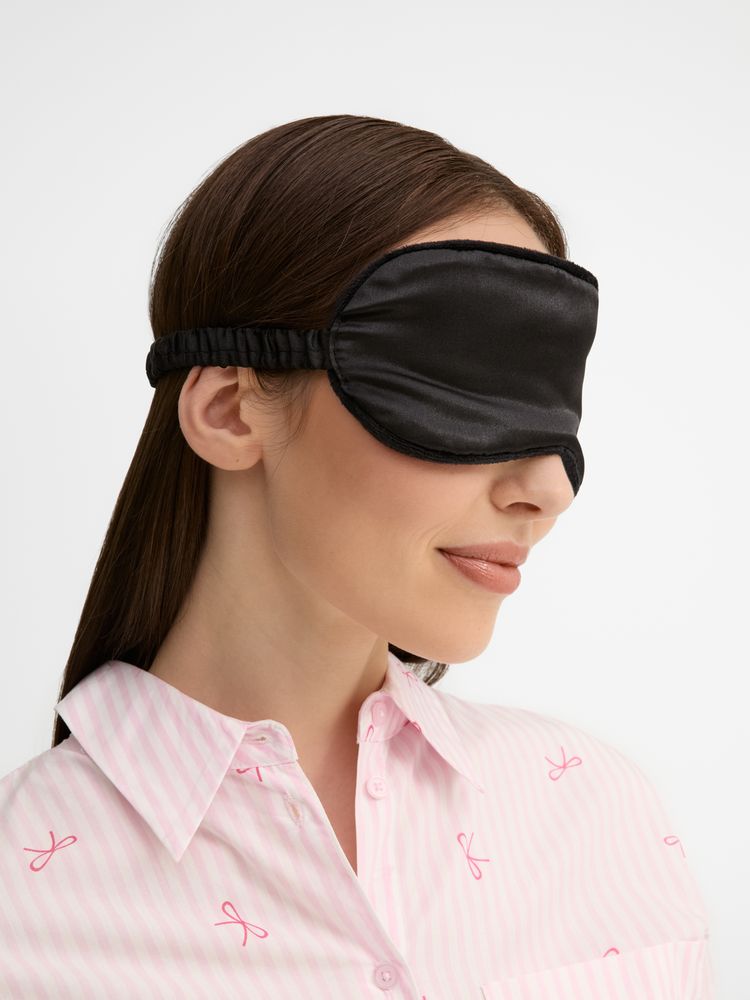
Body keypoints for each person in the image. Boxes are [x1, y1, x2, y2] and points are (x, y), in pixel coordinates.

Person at [0, 114, 714, 998]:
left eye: (550, 408)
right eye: (464, 389)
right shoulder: (21, 912)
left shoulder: (596, 813)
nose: (548, 489)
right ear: (229, 411)